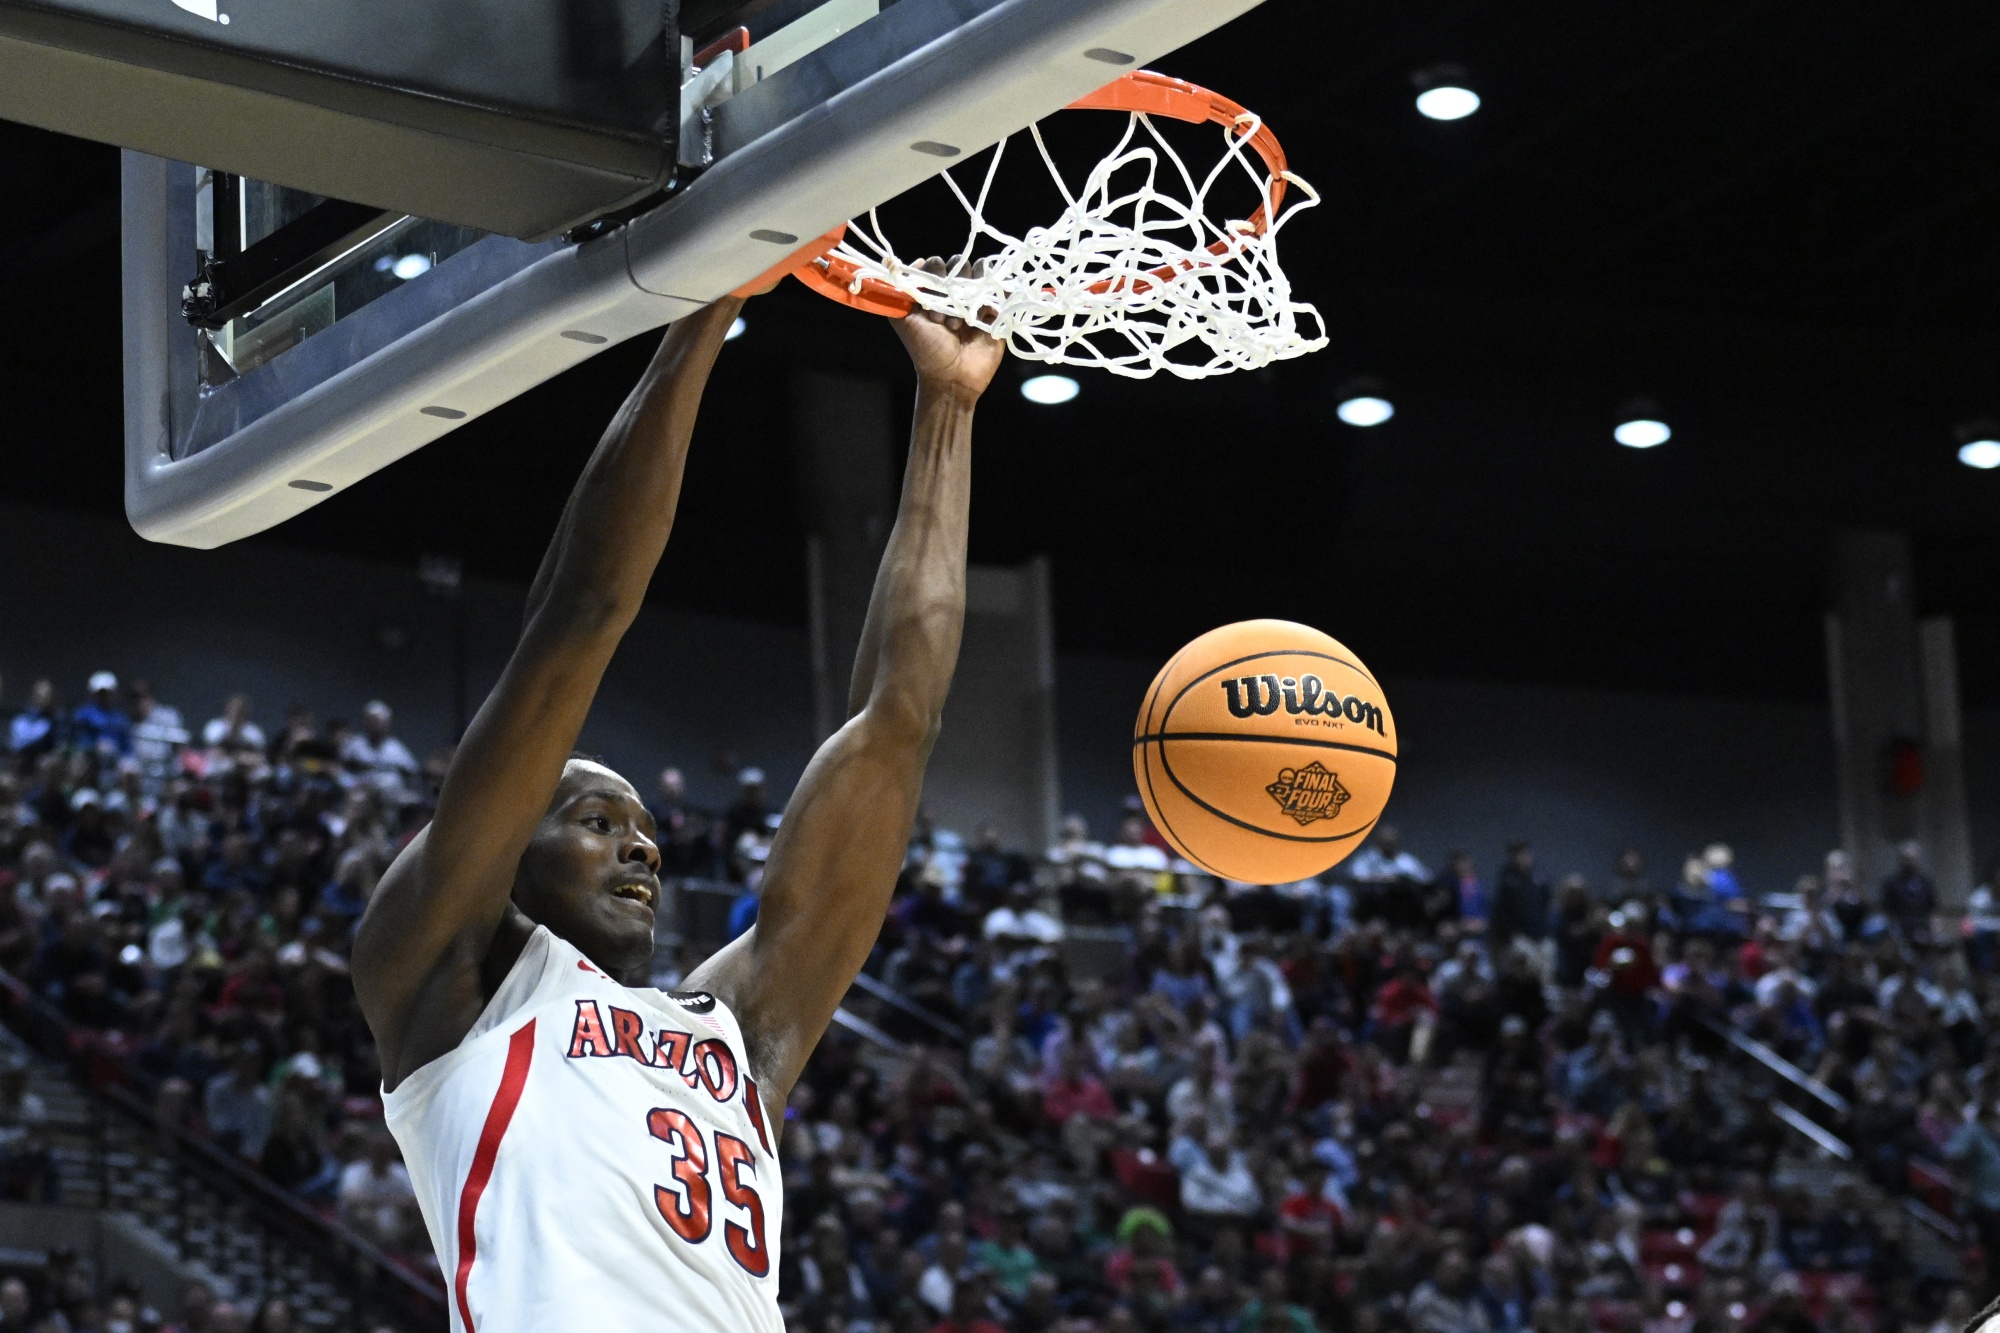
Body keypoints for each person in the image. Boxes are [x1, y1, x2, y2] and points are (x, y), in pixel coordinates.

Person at [350, 283, 1002, 1333]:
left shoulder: (734, 1030)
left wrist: (946, 406)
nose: (640, 845)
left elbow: (897, 719)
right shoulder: (446, 979)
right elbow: (582, 609)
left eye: (646, 829)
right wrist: (709, 294)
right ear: (508, 844)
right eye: (599, 821)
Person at [342, 701, 420, 805]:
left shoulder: (394, 747)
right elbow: (343, 765)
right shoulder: (355, 744)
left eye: (380, 721)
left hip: (389, 797)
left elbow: (412, 770)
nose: (377, 725)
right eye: (373, 721)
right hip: (359, 791)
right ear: (365, 722)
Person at [71, 671, 132, 756]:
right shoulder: (82, 715)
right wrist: (94, 746)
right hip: (89, 757)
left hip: (116, 759)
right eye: (101, 693)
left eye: (108, 693)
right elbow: (77, 741)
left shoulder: (120, 717)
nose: (105, 696)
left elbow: (126, 745)